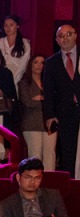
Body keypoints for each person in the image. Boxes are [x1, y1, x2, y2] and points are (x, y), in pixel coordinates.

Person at [0, 158, 72, 217]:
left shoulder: (53, 195)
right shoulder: (6, 204)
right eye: (28, 177)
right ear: (18, 177)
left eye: (37, 178)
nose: (33, 182)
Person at [43, 24, 80, 177]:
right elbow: (49, 92)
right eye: (61, 36)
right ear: (57, 40)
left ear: (76, 36)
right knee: (68, 152)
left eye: (69, 34)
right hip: (65, 113)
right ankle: (71, 187)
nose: (65, 38)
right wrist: (50, 115)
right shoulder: (52, 62)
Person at [20, 55, 55, 171]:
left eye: (42, 63)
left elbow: (56, 100)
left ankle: (50, 184)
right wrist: (44, 99)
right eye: (36, 62)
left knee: (50, 155)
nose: (39, 65)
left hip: (50, 122)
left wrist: (39, 98)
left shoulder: (50, 81)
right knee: (35, 156)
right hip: (31, 123)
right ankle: (34, 182)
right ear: (30, 64)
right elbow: (27, 102)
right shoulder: (24, 83)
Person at [0, 15, 31, 85]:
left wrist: (14, 80)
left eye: (11, 25)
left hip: (16, 78)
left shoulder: (25, 43)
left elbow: (23, 65)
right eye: (5, 25)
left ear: (17, 26)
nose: (8, 28)